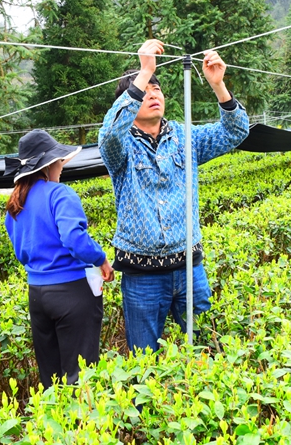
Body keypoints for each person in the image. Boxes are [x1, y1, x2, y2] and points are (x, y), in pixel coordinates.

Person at [98, 39, 249, 354]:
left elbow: (235, 132)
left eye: (157, 89)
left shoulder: (186, 136)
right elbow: (110, 132)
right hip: (142, 278)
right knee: (144, 361)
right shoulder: (120, 147)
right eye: (146, 90)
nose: (153, 93)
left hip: (189, 270)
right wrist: (145, 71)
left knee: (209, 349)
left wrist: (219, 86)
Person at [4, 129, 114, 388]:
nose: (62, 166)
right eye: (59, 161)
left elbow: (20, 252)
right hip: (72, 293)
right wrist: (100, 259)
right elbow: (75, 239)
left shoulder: (15, 204)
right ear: (49, 164)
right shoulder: (59, 194)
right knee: (81, 376)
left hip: (38, 294)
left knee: (51, 378)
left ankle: (54, 427)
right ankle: (83, 427)